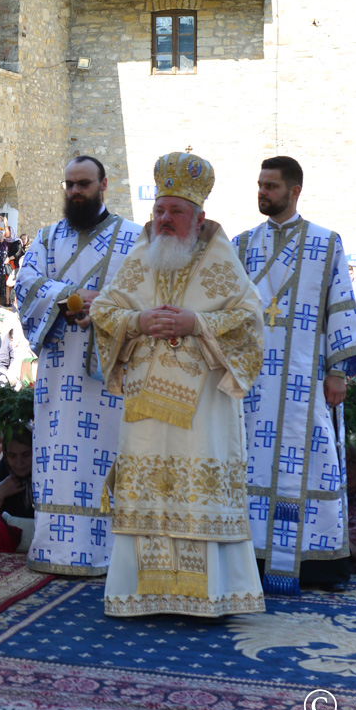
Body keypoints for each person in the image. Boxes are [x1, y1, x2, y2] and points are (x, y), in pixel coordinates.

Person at [89, 150, 266, 618]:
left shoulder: (221, 260)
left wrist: (196, 323)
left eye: (176, 212)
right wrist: (140, 320)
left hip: (204, 408)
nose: (165, 219)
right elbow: (104, 311)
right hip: (146, 407)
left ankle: (207, 598)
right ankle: (143, 595)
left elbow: (250, 322)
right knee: (149, 491)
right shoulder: (140, 256)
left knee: (197, 492)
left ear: (199, 216)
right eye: (160, 210)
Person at [232, 155, 356, 594]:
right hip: (251, 381)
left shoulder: (326, 243)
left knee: (312, 462)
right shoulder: (241, 244)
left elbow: (340, 305)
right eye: (259, 184)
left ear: (294, 191)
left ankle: (315, 565)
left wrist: (337, 371)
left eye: (270, 186)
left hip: (303, 380)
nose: (262, 192)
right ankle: (249, 558)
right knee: (250, 462)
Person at [12, 155, 138, 577]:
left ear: (105, 184)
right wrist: (71, 296)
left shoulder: (133, 239)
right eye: (69, 184)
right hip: (56, 371)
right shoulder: (46, 239)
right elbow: (26, 285)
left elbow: (144, 298)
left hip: (108, 378)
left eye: (83, 184)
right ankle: (53, 548)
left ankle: (107, 553)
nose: (75, 192)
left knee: (104, 460)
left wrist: (105, 307)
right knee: (56, 458)